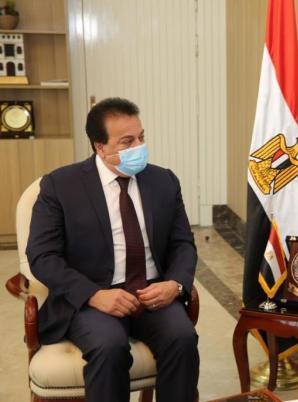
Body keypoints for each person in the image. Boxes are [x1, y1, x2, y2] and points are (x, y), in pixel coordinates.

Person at [26, 97, 199, 402]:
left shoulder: (163, 181)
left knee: (183, 338)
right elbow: (42, 256)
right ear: (100, 147)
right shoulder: (61, 185)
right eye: (127, 141)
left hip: (152, 292)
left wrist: (175, 284)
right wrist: (93, 294)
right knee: (109, 347)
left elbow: (183, 243)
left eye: (141, 137)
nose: (139, 147)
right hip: (94, 296)